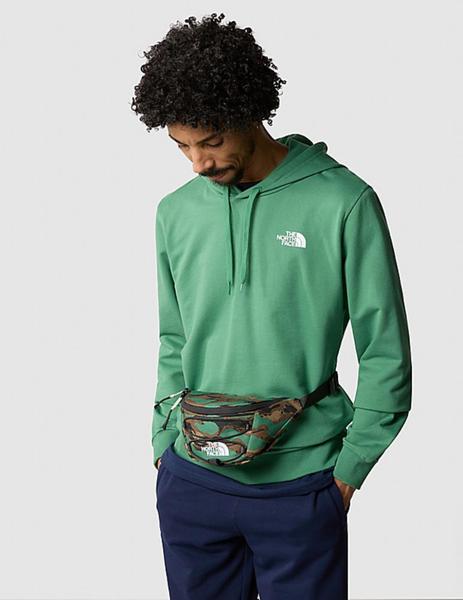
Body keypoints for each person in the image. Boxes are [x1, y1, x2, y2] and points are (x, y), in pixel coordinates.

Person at [131, 12, 412, 600]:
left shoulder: (344, 202)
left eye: (211, 141)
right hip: (191, 481)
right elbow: (173, 338)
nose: (199, 163)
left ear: (250, 113)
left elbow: (384, 350)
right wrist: (162, 441)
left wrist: (350, 470)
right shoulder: (175, 212)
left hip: (301, 484)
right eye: (182, 147)